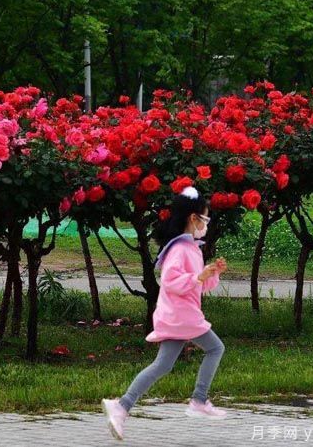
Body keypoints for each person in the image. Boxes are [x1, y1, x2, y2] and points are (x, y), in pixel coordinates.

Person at [101, 186, 228, 441]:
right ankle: (199, 400)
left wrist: (212, 273)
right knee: (215, 348)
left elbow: (198, 284)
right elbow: (171, 282)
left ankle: (122, 406)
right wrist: (198, 276)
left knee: (163, 364)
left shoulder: (192, 247)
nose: (206, 224)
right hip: (182, 315)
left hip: (178, 315)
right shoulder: (180, 249)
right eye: (205, 218)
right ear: (193, 218)